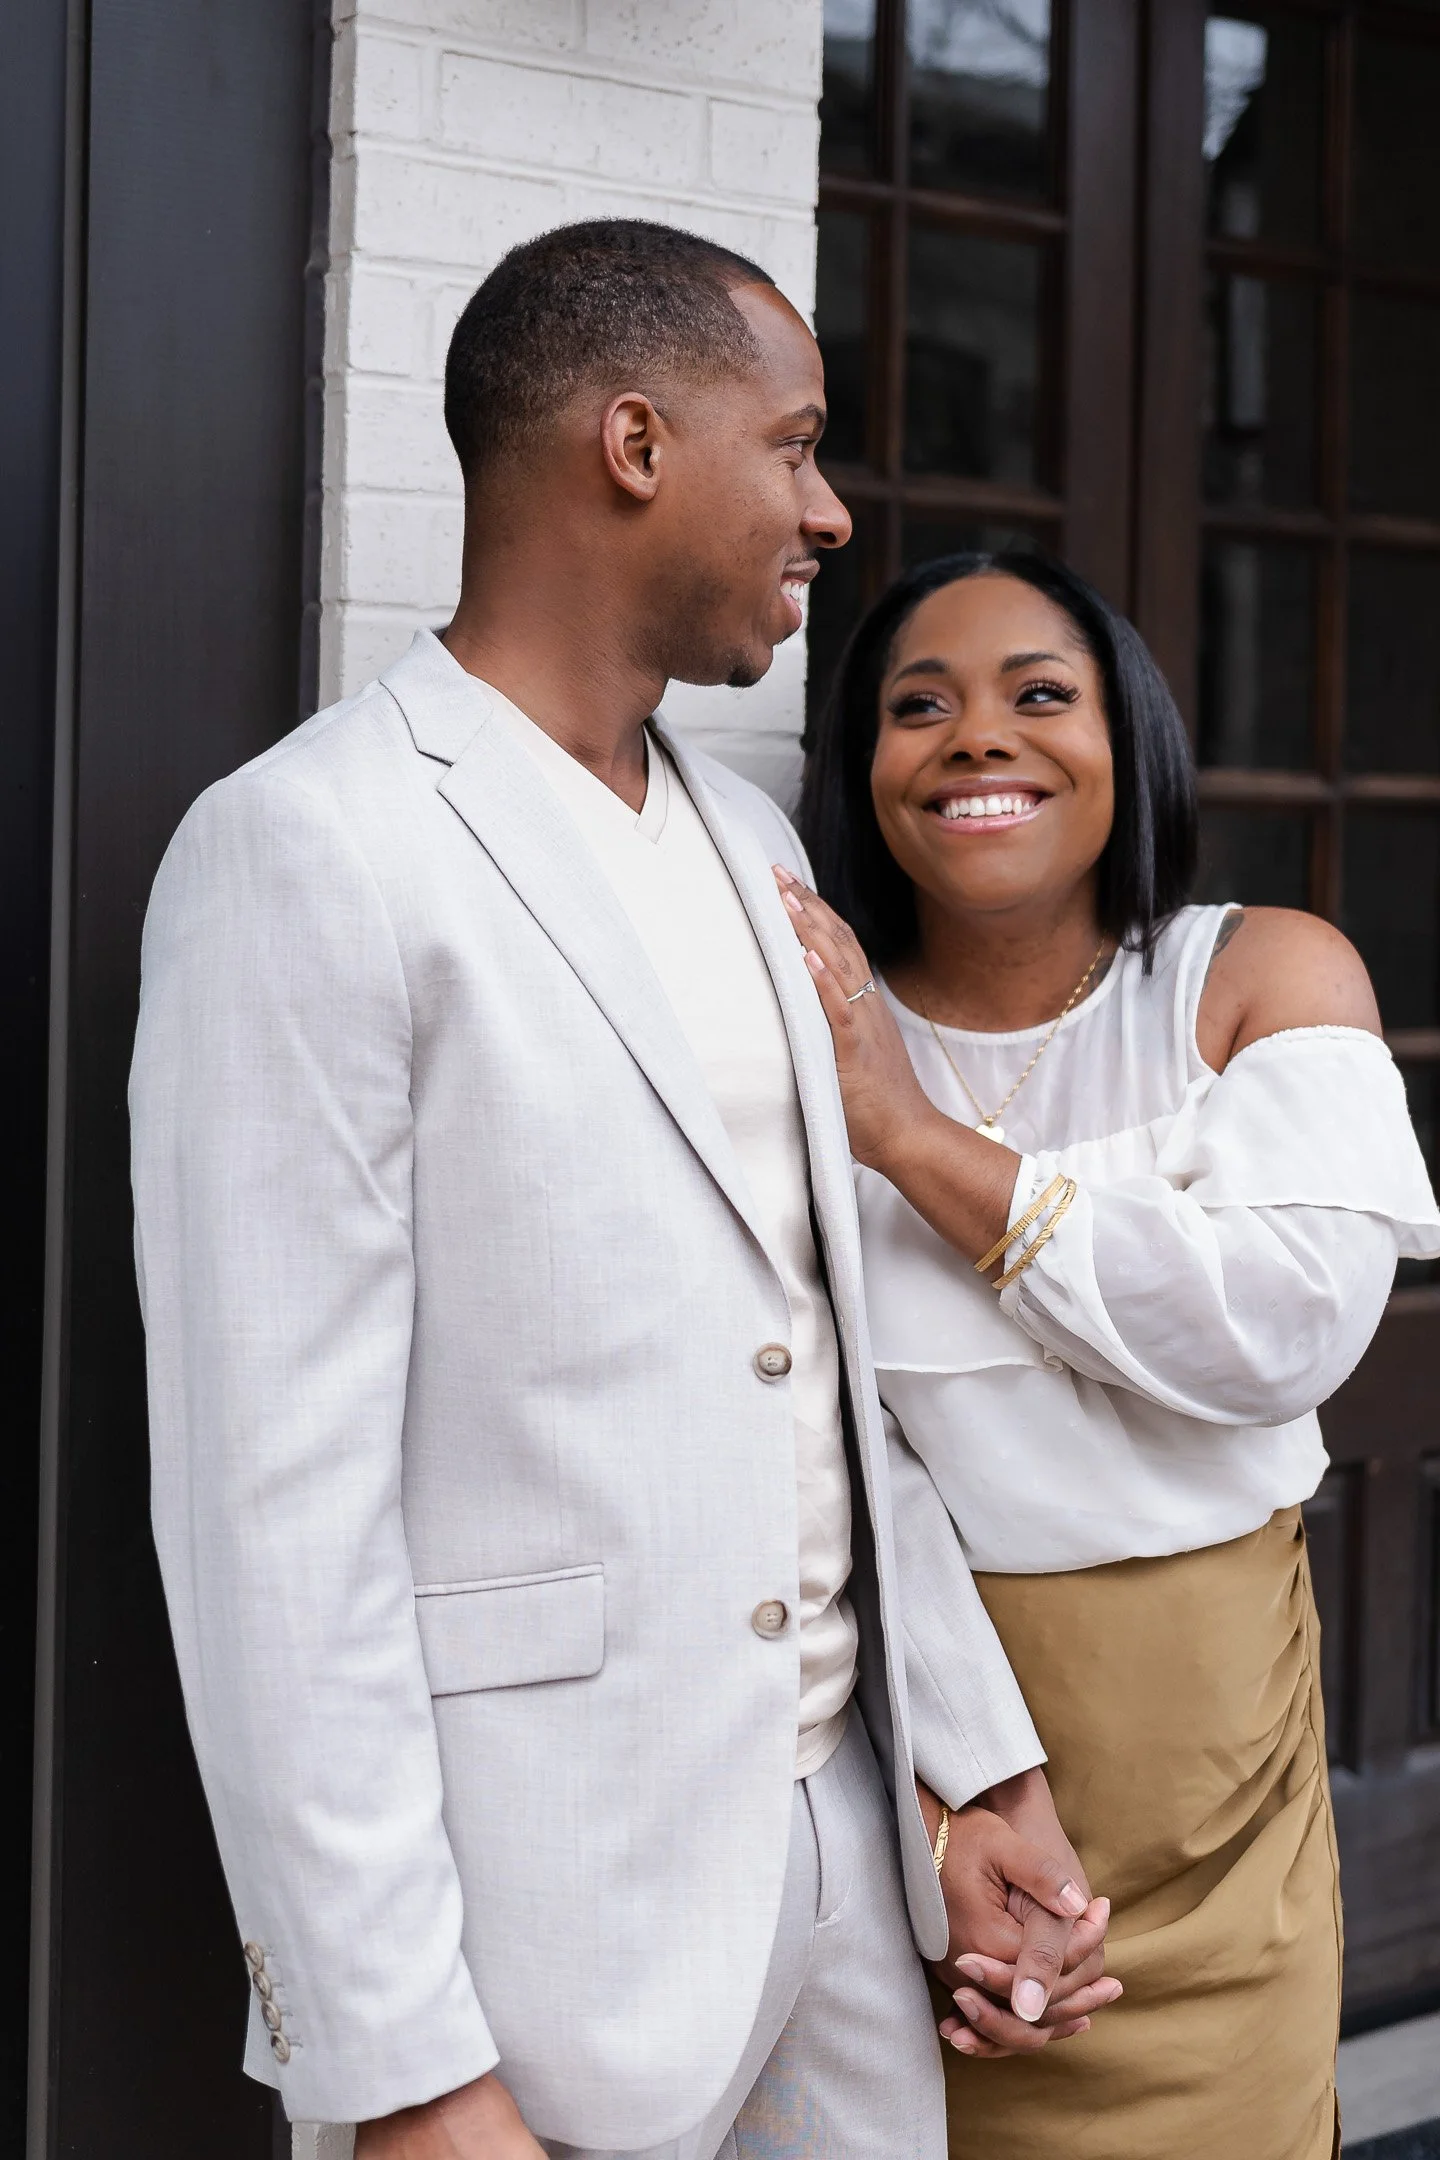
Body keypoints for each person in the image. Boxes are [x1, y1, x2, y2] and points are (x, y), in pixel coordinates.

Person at [129, 232, 1117, 2160]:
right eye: (801, 445)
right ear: (638, 442)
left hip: (839, 1883)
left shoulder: (748, 833)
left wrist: (969, 1775)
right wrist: (396, 2063)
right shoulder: (305, 850)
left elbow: (818, 1361)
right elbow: (270, 1518)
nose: (831, 511)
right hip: (538, 1935)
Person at [778, 548, 1440, 2160]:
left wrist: (913, 1143)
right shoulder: (812, 1024)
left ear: (1125, 739)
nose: (974, 737)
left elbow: (1277, 1323)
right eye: (915, 705)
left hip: (1223, 1769)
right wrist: (959, 1797)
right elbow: (839, 1458)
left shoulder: (1257, 979)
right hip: (927, 1748)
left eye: (1038, 695)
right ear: (863, 769)